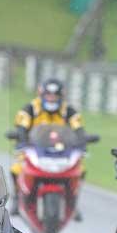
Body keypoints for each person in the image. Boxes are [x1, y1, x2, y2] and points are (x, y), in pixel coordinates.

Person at [9, 78, 84, 215]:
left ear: (61, 96)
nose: (51, 98)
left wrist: (82, 142)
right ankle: (17, 198)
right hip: (33, 149)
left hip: (61, 151)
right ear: (41, 94)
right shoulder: (30, 109)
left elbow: (78, 128)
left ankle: (72, 202)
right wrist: (22, 140)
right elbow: (21, 127)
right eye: (48, 95)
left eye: (55, 95)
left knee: (80, 169)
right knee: (16, 168)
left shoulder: (69, 111)